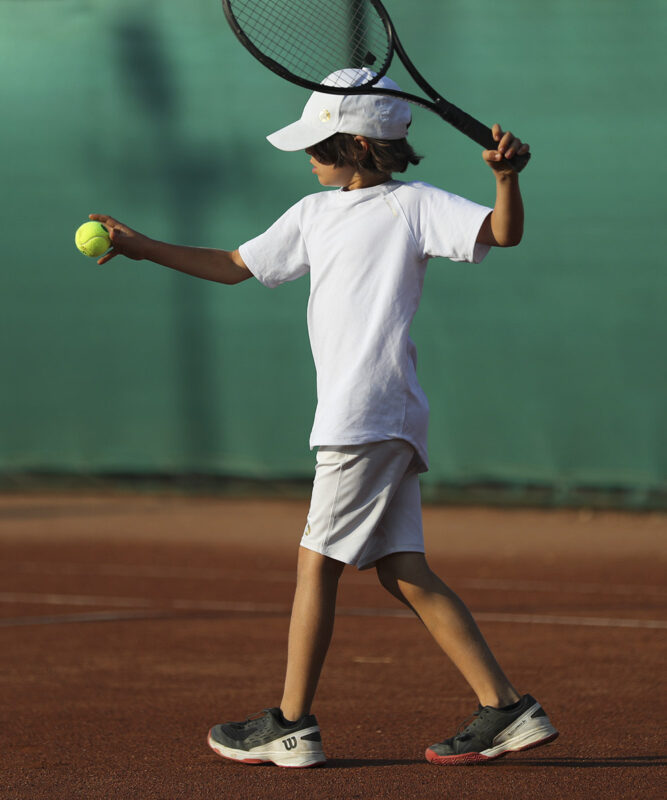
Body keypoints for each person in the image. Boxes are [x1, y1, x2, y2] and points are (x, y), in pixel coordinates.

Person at [90, 68, 558, 768]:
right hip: (374, 417)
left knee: (316, 564)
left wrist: (505, 178)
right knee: (403, 570)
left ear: (362, 144)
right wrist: (141, 245)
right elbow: (231, 264)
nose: (308, 154)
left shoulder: (413, 205)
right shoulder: (312, 214)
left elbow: (501, 233)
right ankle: (505, 708)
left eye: (320, 141)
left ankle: (290, 722)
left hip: (367, 413)